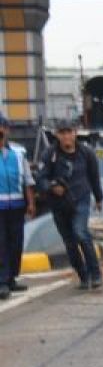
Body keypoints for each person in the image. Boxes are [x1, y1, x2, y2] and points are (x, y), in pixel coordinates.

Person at [37, 120, 103, 290]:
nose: (66, 136)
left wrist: (98, 197)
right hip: (59, 204)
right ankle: (83, 276)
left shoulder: (86, 153)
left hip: (80, 200)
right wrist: (52, 187)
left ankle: (95, 274)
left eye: (69, 132)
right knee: (70, 242)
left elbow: (94, 176)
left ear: (75, 133)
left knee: (81, 233)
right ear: (57, 135)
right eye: (62, 132)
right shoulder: (49, 155)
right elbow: (41, 178)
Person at [0, 113, 36, 299]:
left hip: (16, 206)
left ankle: (12, 277)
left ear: (7, 130)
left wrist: (31, 202)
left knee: (16, 244)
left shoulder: (18, 152)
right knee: (2, 244)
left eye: (2, 127)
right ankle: (2, 281)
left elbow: (27, 180)